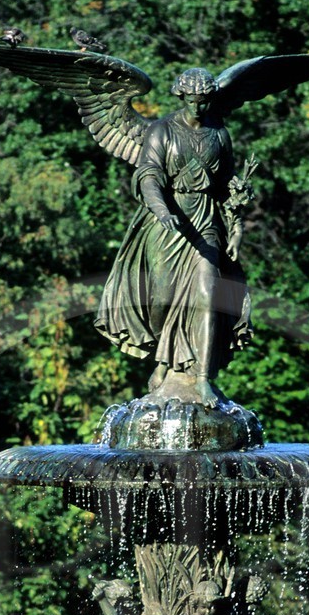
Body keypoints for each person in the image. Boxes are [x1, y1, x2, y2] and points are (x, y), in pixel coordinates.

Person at [96, 68, 252, 404]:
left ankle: (202, 377)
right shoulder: (161, 130)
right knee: (162, 298)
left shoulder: (219, 134)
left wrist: (237, 219)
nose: (199, 107)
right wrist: (162, 210)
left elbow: (226, 183)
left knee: (209, 294)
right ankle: (163, 360)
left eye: (205, 101)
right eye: (193, 101)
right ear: (181, 97)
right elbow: (148, 175)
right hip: (168, 221)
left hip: (206, 219)